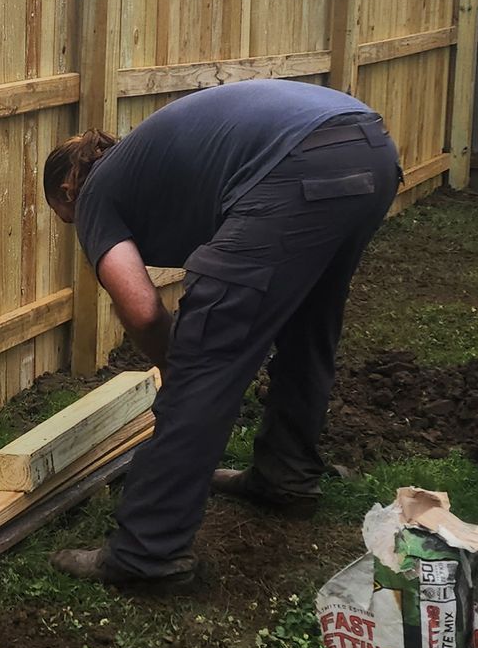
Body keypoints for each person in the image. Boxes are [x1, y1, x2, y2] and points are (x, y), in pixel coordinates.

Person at [41, 78, 399, 591]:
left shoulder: (96, 192)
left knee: (205, 353)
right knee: (307, 328)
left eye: (64, 217)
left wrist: (183, 367)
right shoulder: (159, 163)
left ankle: (148, 552)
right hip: (370, 148)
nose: (74, 228)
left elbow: (141, 312)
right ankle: (286, 477)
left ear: (68, 191)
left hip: (298, 164)